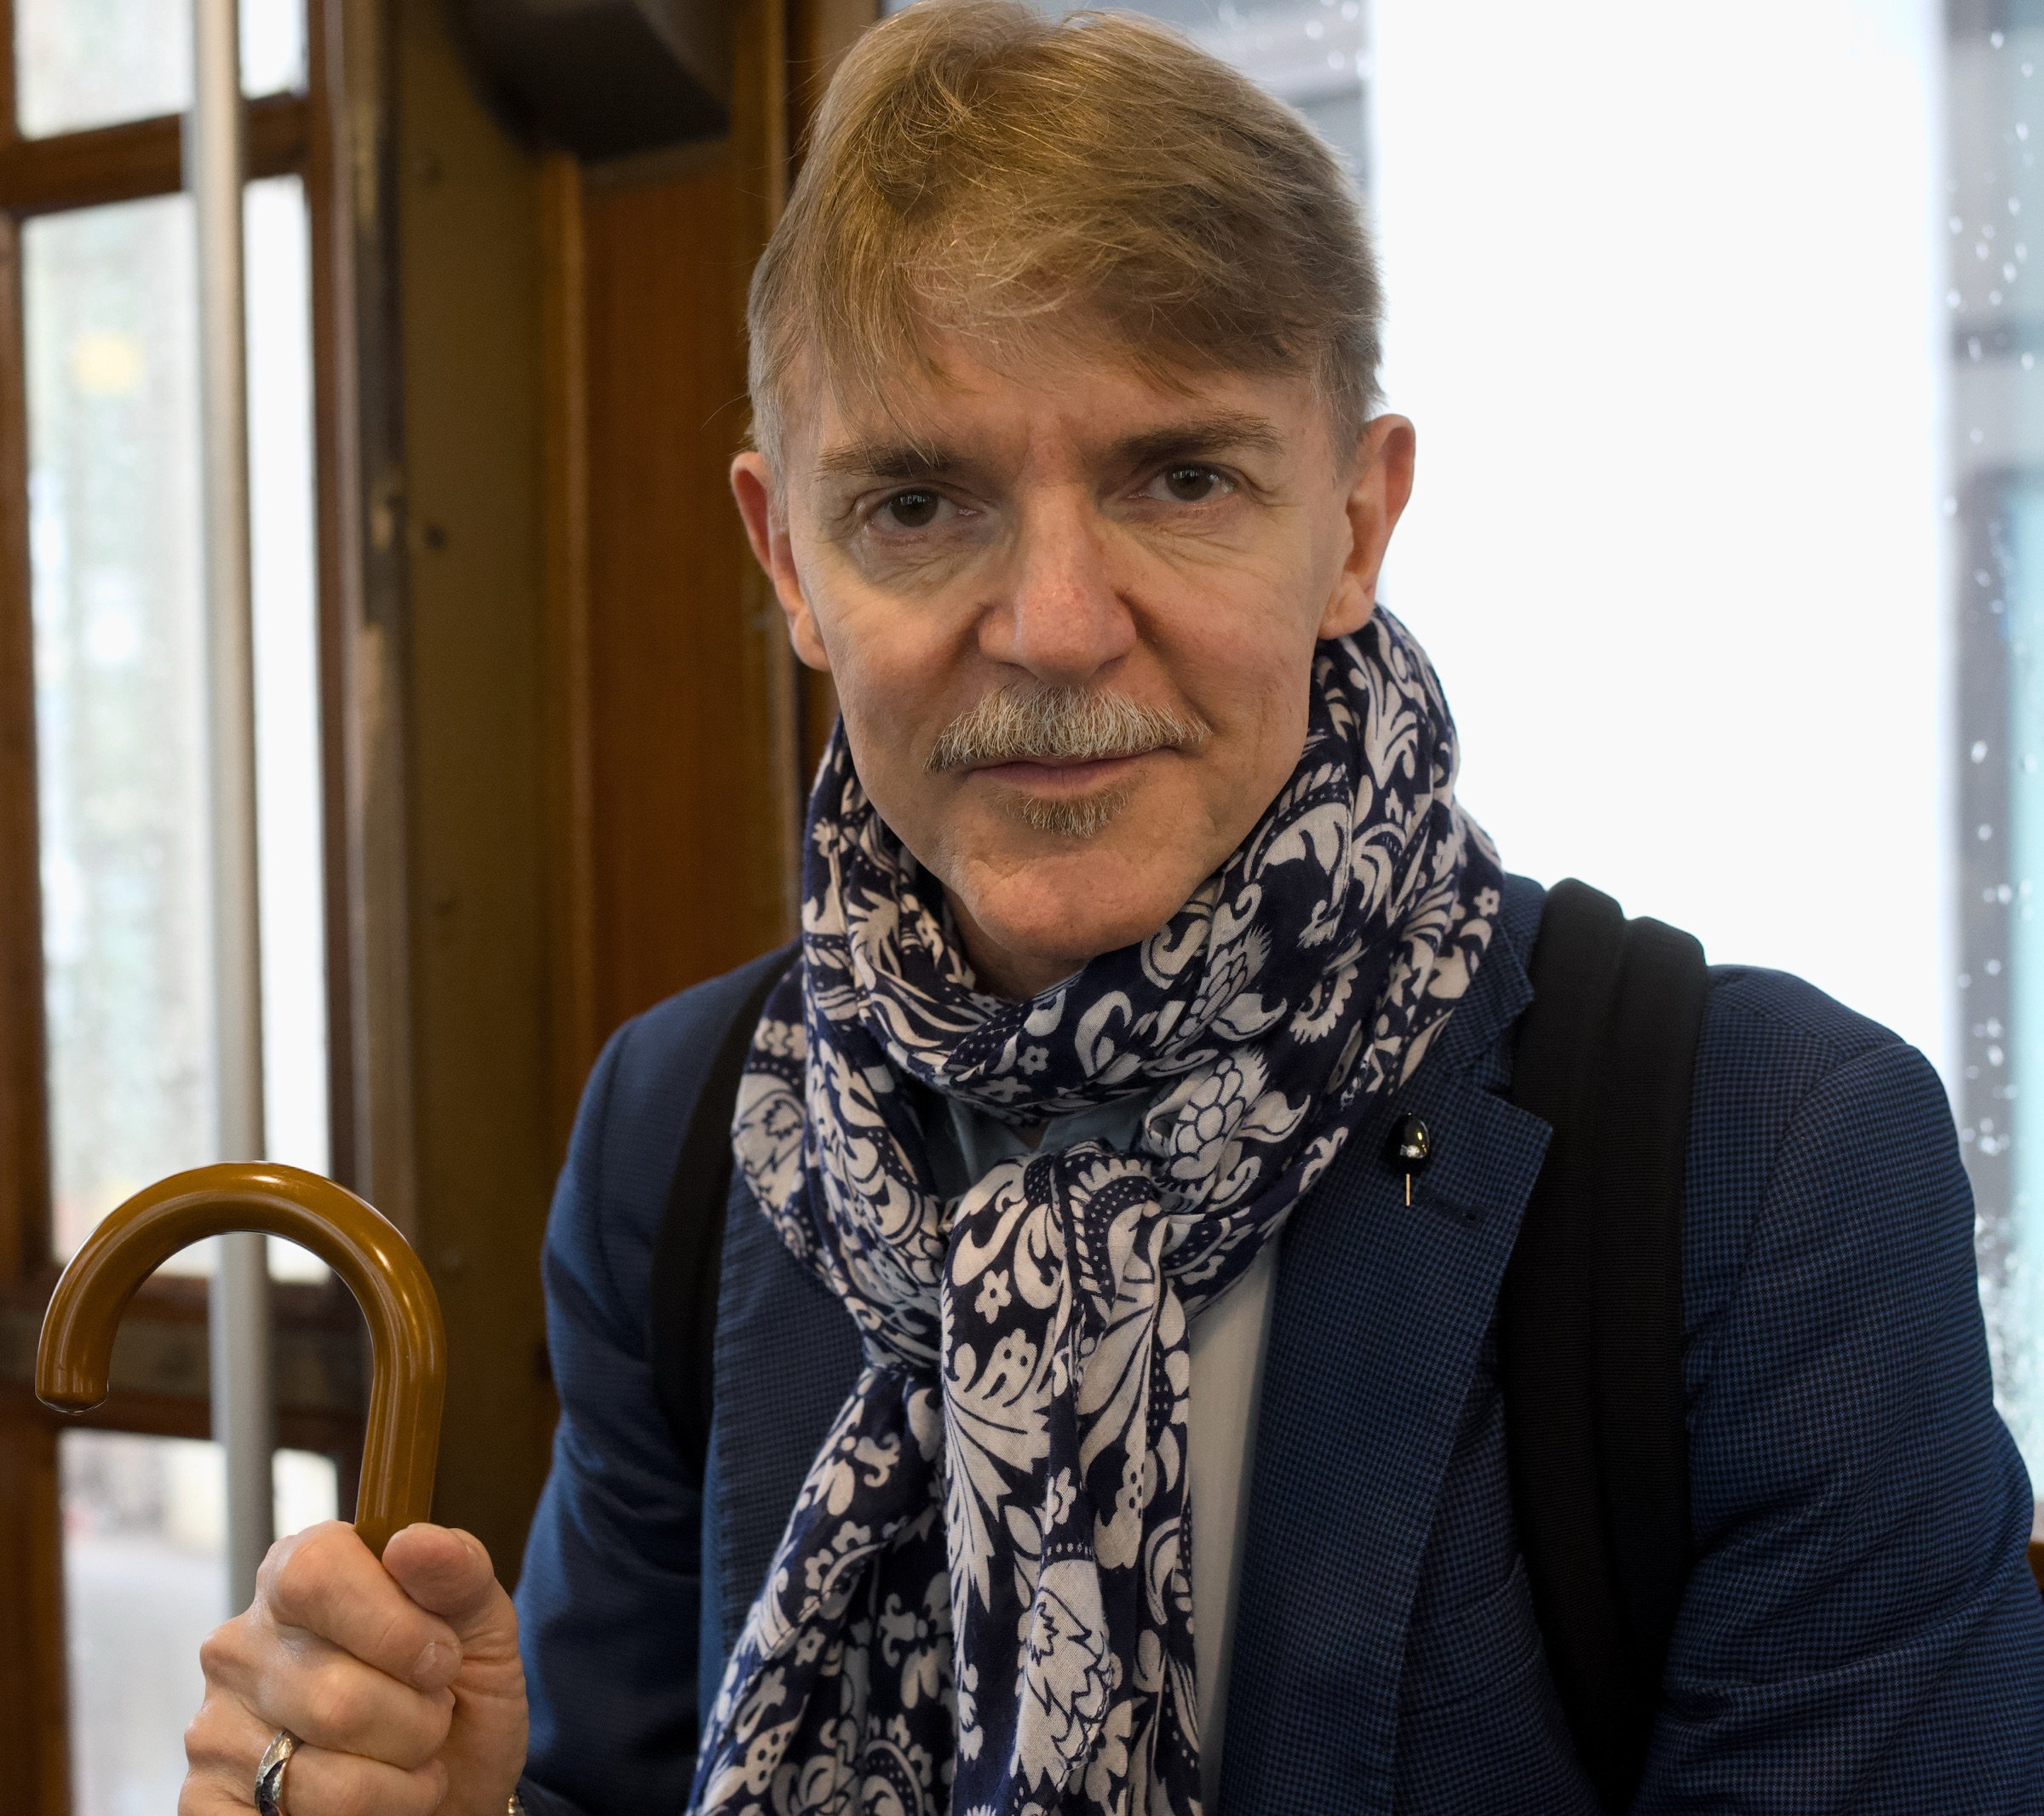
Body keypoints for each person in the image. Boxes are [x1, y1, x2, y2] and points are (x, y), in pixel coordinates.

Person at [179, 4, 2044, 1813]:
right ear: (788, 561)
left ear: (1355, 522)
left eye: (1182, 476)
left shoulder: (1767, 1169)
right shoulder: (686, 1135)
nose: (1057, 624)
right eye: (918, 503)